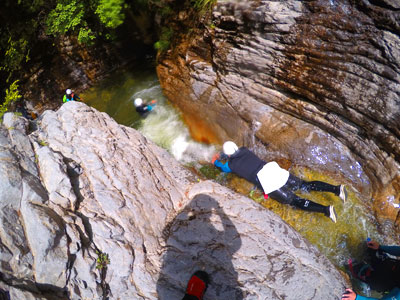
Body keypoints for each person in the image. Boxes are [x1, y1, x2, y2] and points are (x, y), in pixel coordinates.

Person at [212, 141, 348, 223]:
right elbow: (234, 154)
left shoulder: (231, 166)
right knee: (304, 185)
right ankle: (336, 189)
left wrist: (215, 160)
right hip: (273, 170)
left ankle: (326, 210)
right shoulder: (244, 150)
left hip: (267, 182)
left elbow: (222, 167)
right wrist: (225, 154)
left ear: (228, 155)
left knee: (294, 201)